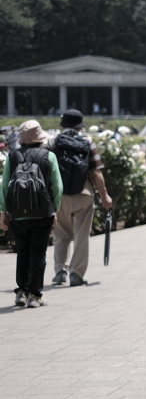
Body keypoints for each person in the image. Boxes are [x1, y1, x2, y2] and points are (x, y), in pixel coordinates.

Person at [0, 120, 63, 308]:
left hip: (17, 213)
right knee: (39, 253)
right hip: (42, 213)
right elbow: (57, 187)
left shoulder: (12, 156)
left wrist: (3, 212)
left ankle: (21, 291)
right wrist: (55, 209)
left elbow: (4, 186)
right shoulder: (48, 156)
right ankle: (35, 295)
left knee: (23, 251)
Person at [48, 109, 114, 287]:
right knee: (81, 235)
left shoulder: (53, 142)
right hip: (83, 194)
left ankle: (60, 271)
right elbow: (96, 172)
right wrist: (105, 196)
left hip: (60, 195)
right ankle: (76, 274)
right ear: (80, 125)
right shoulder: (87, 142)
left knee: (61, 234)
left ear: (63, 124)